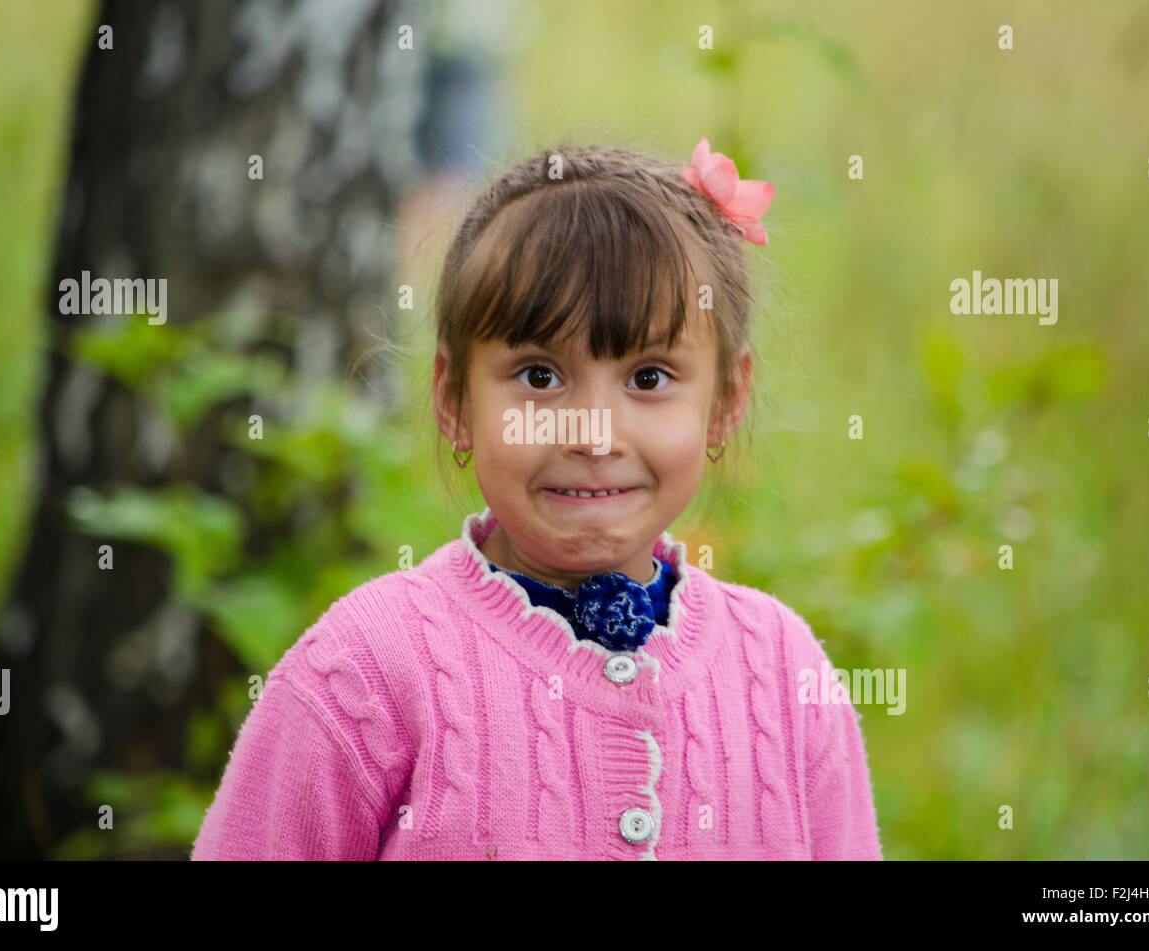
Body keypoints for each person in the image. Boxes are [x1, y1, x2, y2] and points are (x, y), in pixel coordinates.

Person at [191, 137, 883, 860]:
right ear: (454, 397)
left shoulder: (784, 671)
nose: (593, 433)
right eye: (540, 376)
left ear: (725, 400)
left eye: (648, 378)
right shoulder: (367, 669)